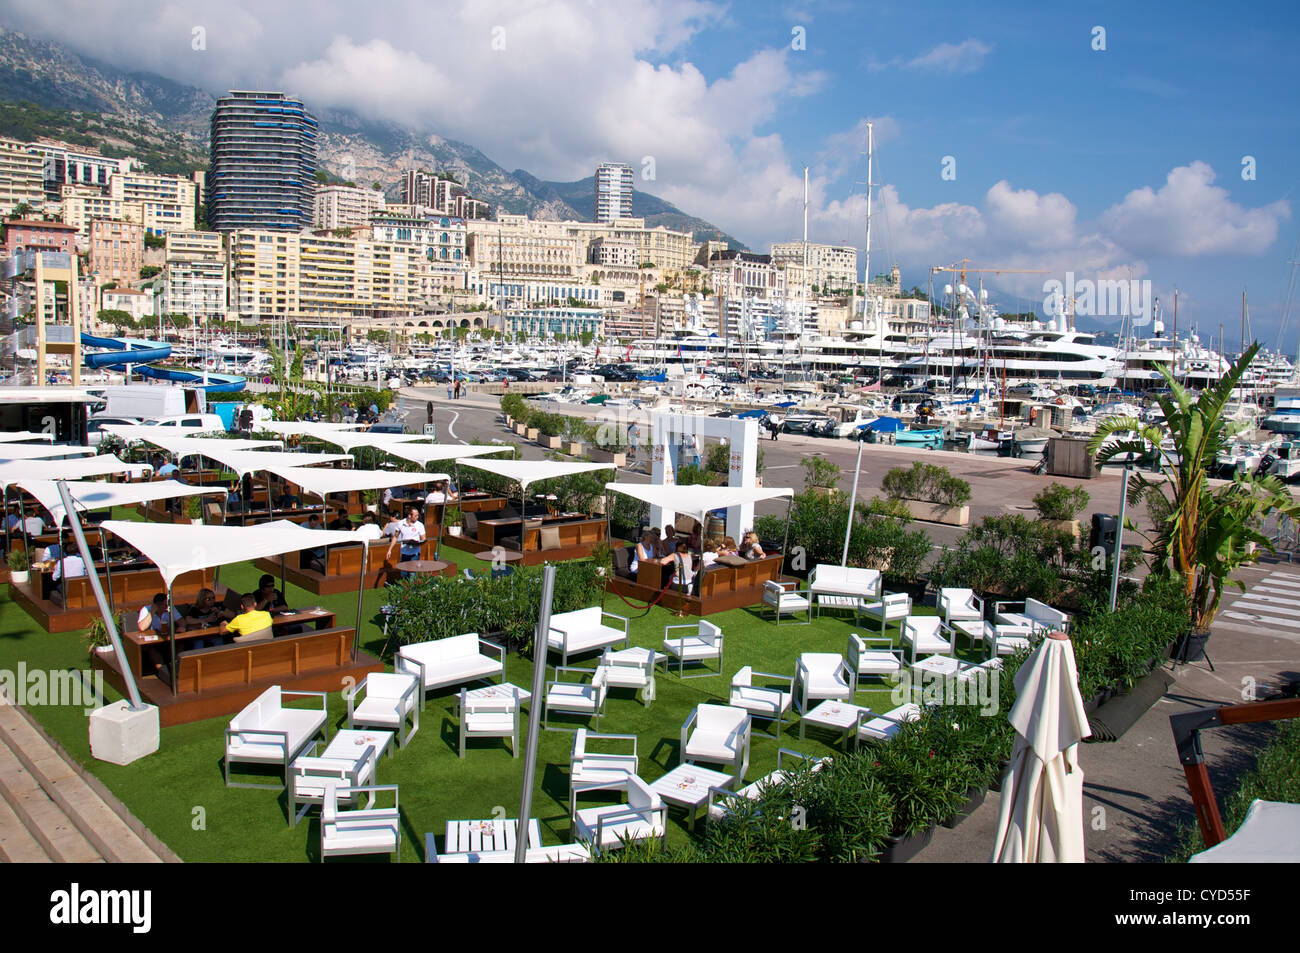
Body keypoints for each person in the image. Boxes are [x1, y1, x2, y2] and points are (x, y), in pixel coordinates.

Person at [387, 506, 427, 575]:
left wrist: (417, 543)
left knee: (412, 574)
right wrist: (390, 550)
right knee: (403, 573)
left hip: (414, 552)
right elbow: (395, 537)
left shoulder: (419, 525)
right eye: (415, 516)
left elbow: (423, 539)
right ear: (409, 516)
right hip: (404, 552)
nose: (417, 517)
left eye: (418, 515)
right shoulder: (401, 524)